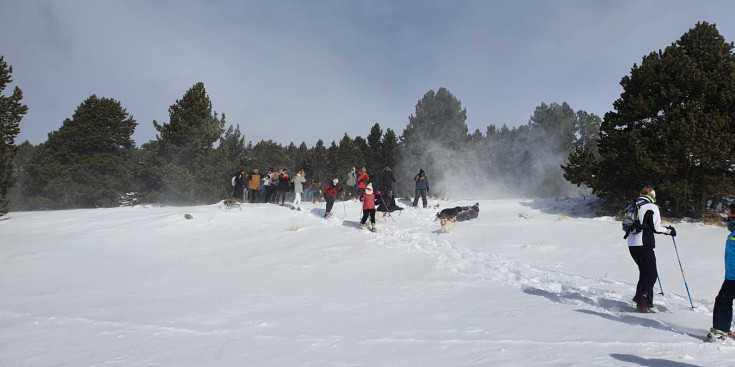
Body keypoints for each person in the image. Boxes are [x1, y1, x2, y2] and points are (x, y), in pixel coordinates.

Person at [627, 187, 675, 312]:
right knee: (651, 274)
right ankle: (639, 298)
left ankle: (645, 303)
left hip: (632, 243)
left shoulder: (633, 205)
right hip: (644, 243)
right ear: (652, 196)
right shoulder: (651, 207)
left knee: (644, 273)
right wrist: (668, 231)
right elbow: (656, 227)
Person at [707, 203, 735, 342]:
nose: (727, 217)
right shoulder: (733, 233)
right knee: (724, 300)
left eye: (729, 214)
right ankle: (721, 329)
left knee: (723, 300)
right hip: (731, 275)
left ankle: (720, 331)